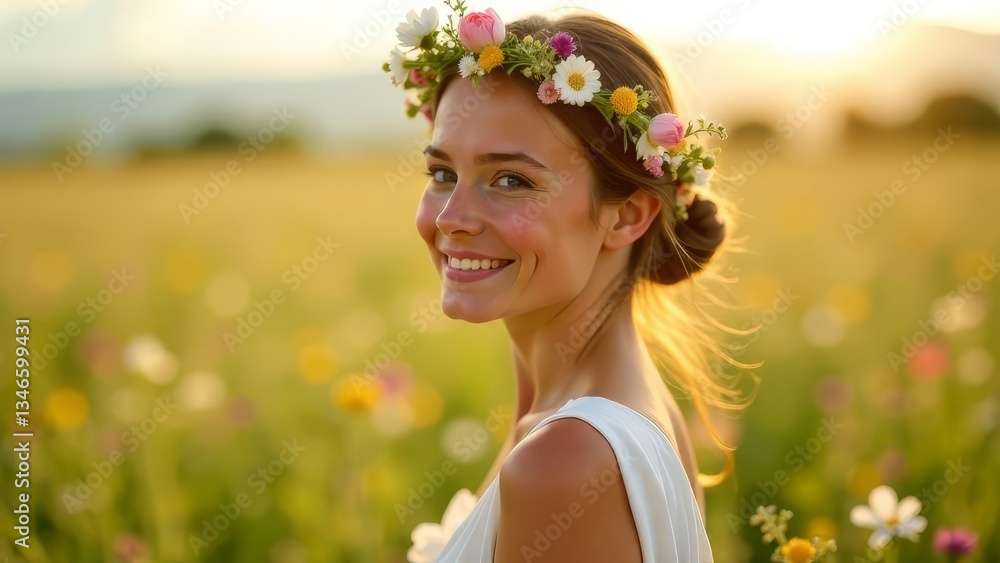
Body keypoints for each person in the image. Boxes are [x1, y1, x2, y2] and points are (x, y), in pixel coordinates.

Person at [385, 3, 752, 561]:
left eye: (511, 179)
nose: (450, 218)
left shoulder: (569, 459)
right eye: (442, 173)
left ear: (628, 215)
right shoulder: (584, 406)